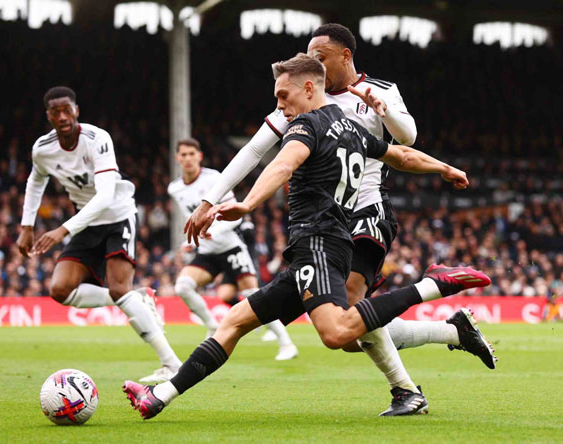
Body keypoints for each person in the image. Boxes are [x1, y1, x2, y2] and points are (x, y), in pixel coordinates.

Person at [123, 54, 492, 419]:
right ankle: (160, 396)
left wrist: (247, 204)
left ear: (309, 88)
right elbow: (402, 156)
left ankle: (432, 285)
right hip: (323, 248)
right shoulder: (353, 129)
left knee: (336, 334)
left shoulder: (306, 126)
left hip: (317, 242)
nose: (280, 106)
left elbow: (283, 164)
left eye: (284, 96)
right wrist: (445, 167)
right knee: (235, 320)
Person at [17, 86, 182, 383]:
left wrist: (63, 230)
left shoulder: (97, 139)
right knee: (60, 290)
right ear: (49, 116)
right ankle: (137, 299)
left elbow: (105, 196)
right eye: (56, 112)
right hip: (86, 221)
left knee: (120, 288)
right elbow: (35, 181)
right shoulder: (42, 149)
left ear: (76, 110)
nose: (63, 116)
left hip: (117, 215)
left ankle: (171, 364)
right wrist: (26, 226)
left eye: (67, 109)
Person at [168, 138, 298, 360]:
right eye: (184, 155)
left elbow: (235, 218)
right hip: (207, 251)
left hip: (230, 246)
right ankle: (211, 326)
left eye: (192, 154)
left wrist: (212, 233)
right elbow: (191, 220)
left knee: (253, 294)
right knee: (182, 286)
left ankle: (286, 344)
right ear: (177, 158)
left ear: (199, 156)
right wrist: (188, 241)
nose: (188, 159)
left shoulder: (215, 179)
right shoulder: (175, 188)